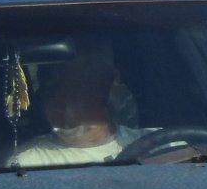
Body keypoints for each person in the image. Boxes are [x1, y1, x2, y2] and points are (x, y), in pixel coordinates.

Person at [10, 52, 140, 168]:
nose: (64, 108)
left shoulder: (153, 144)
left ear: (108, 85)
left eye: (77, 90)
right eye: (52, 94)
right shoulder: (27, 163)